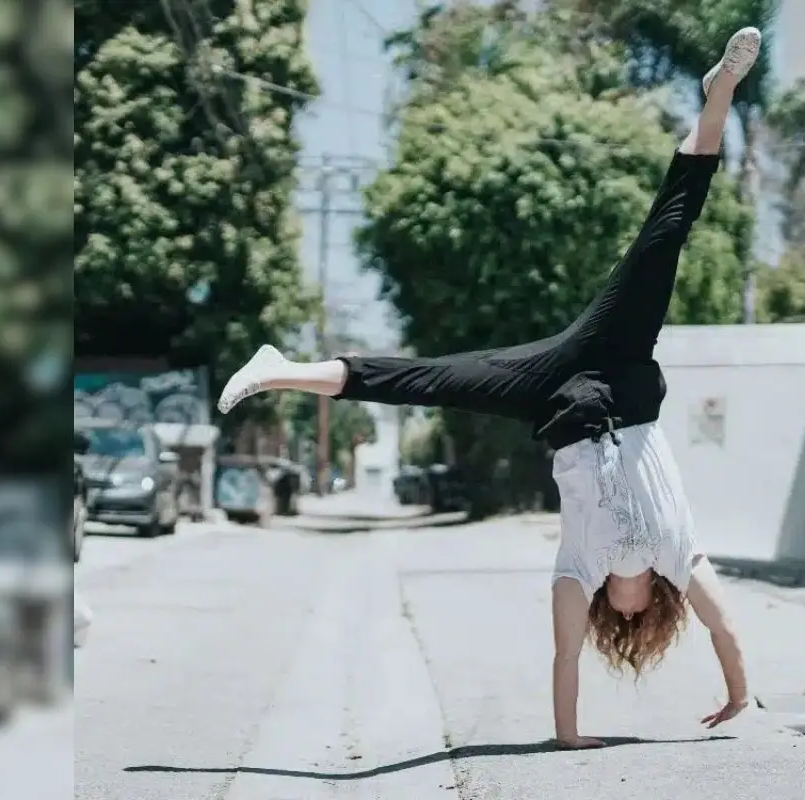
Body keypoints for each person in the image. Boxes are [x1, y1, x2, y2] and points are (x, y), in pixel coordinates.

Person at [218, 27, 761, 749]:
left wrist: (568, 738)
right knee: (664, 235)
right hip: (618, 369)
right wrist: (739, 695)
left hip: (553, 399)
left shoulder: (578, 575)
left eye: (623, 618)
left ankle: (277, 368)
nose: (630, 612)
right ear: (657, 603)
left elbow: (565, 658)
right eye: (641, 614)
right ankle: (719, 95)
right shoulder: (680, 557)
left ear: (611, 608)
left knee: (425, 381)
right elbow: (725, 629)